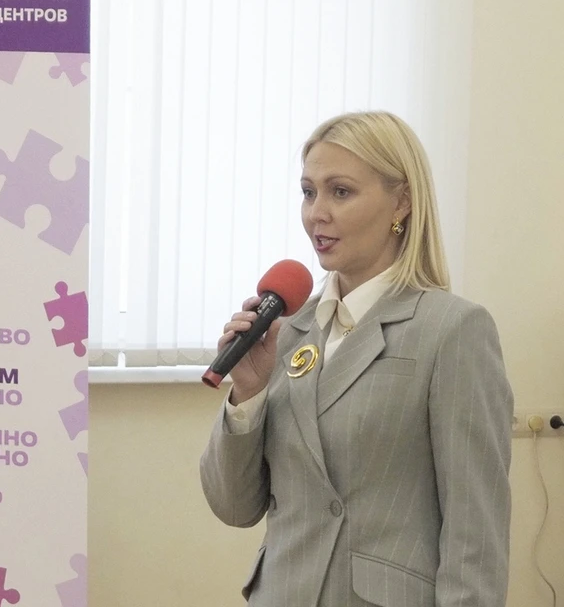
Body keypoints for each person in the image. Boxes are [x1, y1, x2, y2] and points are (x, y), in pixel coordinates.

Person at [199, 111, 513, 607]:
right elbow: (234, 507)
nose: (316, 213)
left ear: (401, 201)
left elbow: (476, 535)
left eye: (340, 192)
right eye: (308, 192)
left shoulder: (453, 330)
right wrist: (248, 394)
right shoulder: (287, 330)